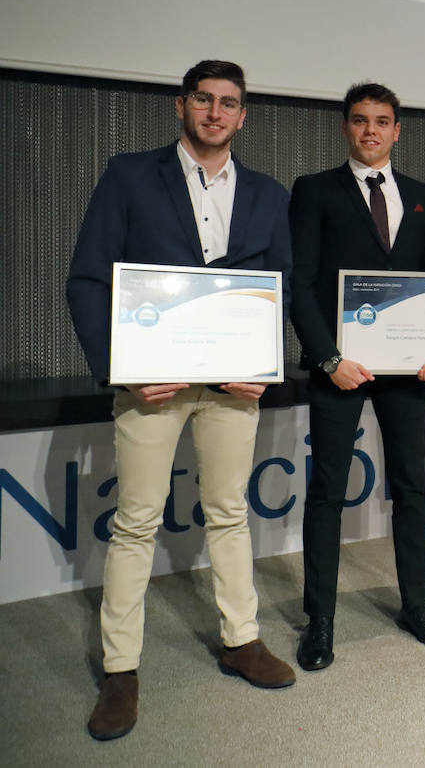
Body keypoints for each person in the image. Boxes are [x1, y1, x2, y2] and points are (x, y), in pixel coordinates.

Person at [67, 59, 296, 741]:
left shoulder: (266, 192)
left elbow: (278, 287)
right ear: (182, 105)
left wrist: (267, 362)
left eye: (229, 103)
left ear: (243, 115)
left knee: (229, 511)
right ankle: (120, 669)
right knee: (137, 520)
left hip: (232, 387)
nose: (215, 112)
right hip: (153, 382)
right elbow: (86, 281)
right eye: (204, 99)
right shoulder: (130, 176)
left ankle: (241, 640)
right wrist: (122, 369)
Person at [289, 82, 425, 669]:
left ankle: (416, 603)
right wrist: (329, 358)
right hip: (340, 369)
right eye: (360, 121)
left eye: (382, 122)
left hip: (406, 373)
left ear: (397, 130)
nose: (371, 131)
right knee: (327, 493)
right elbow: (299, 283)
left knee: (410, 488)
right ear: (345, 126)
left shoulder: (421, 196)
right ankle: (320, 620)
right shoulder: (313, 191)